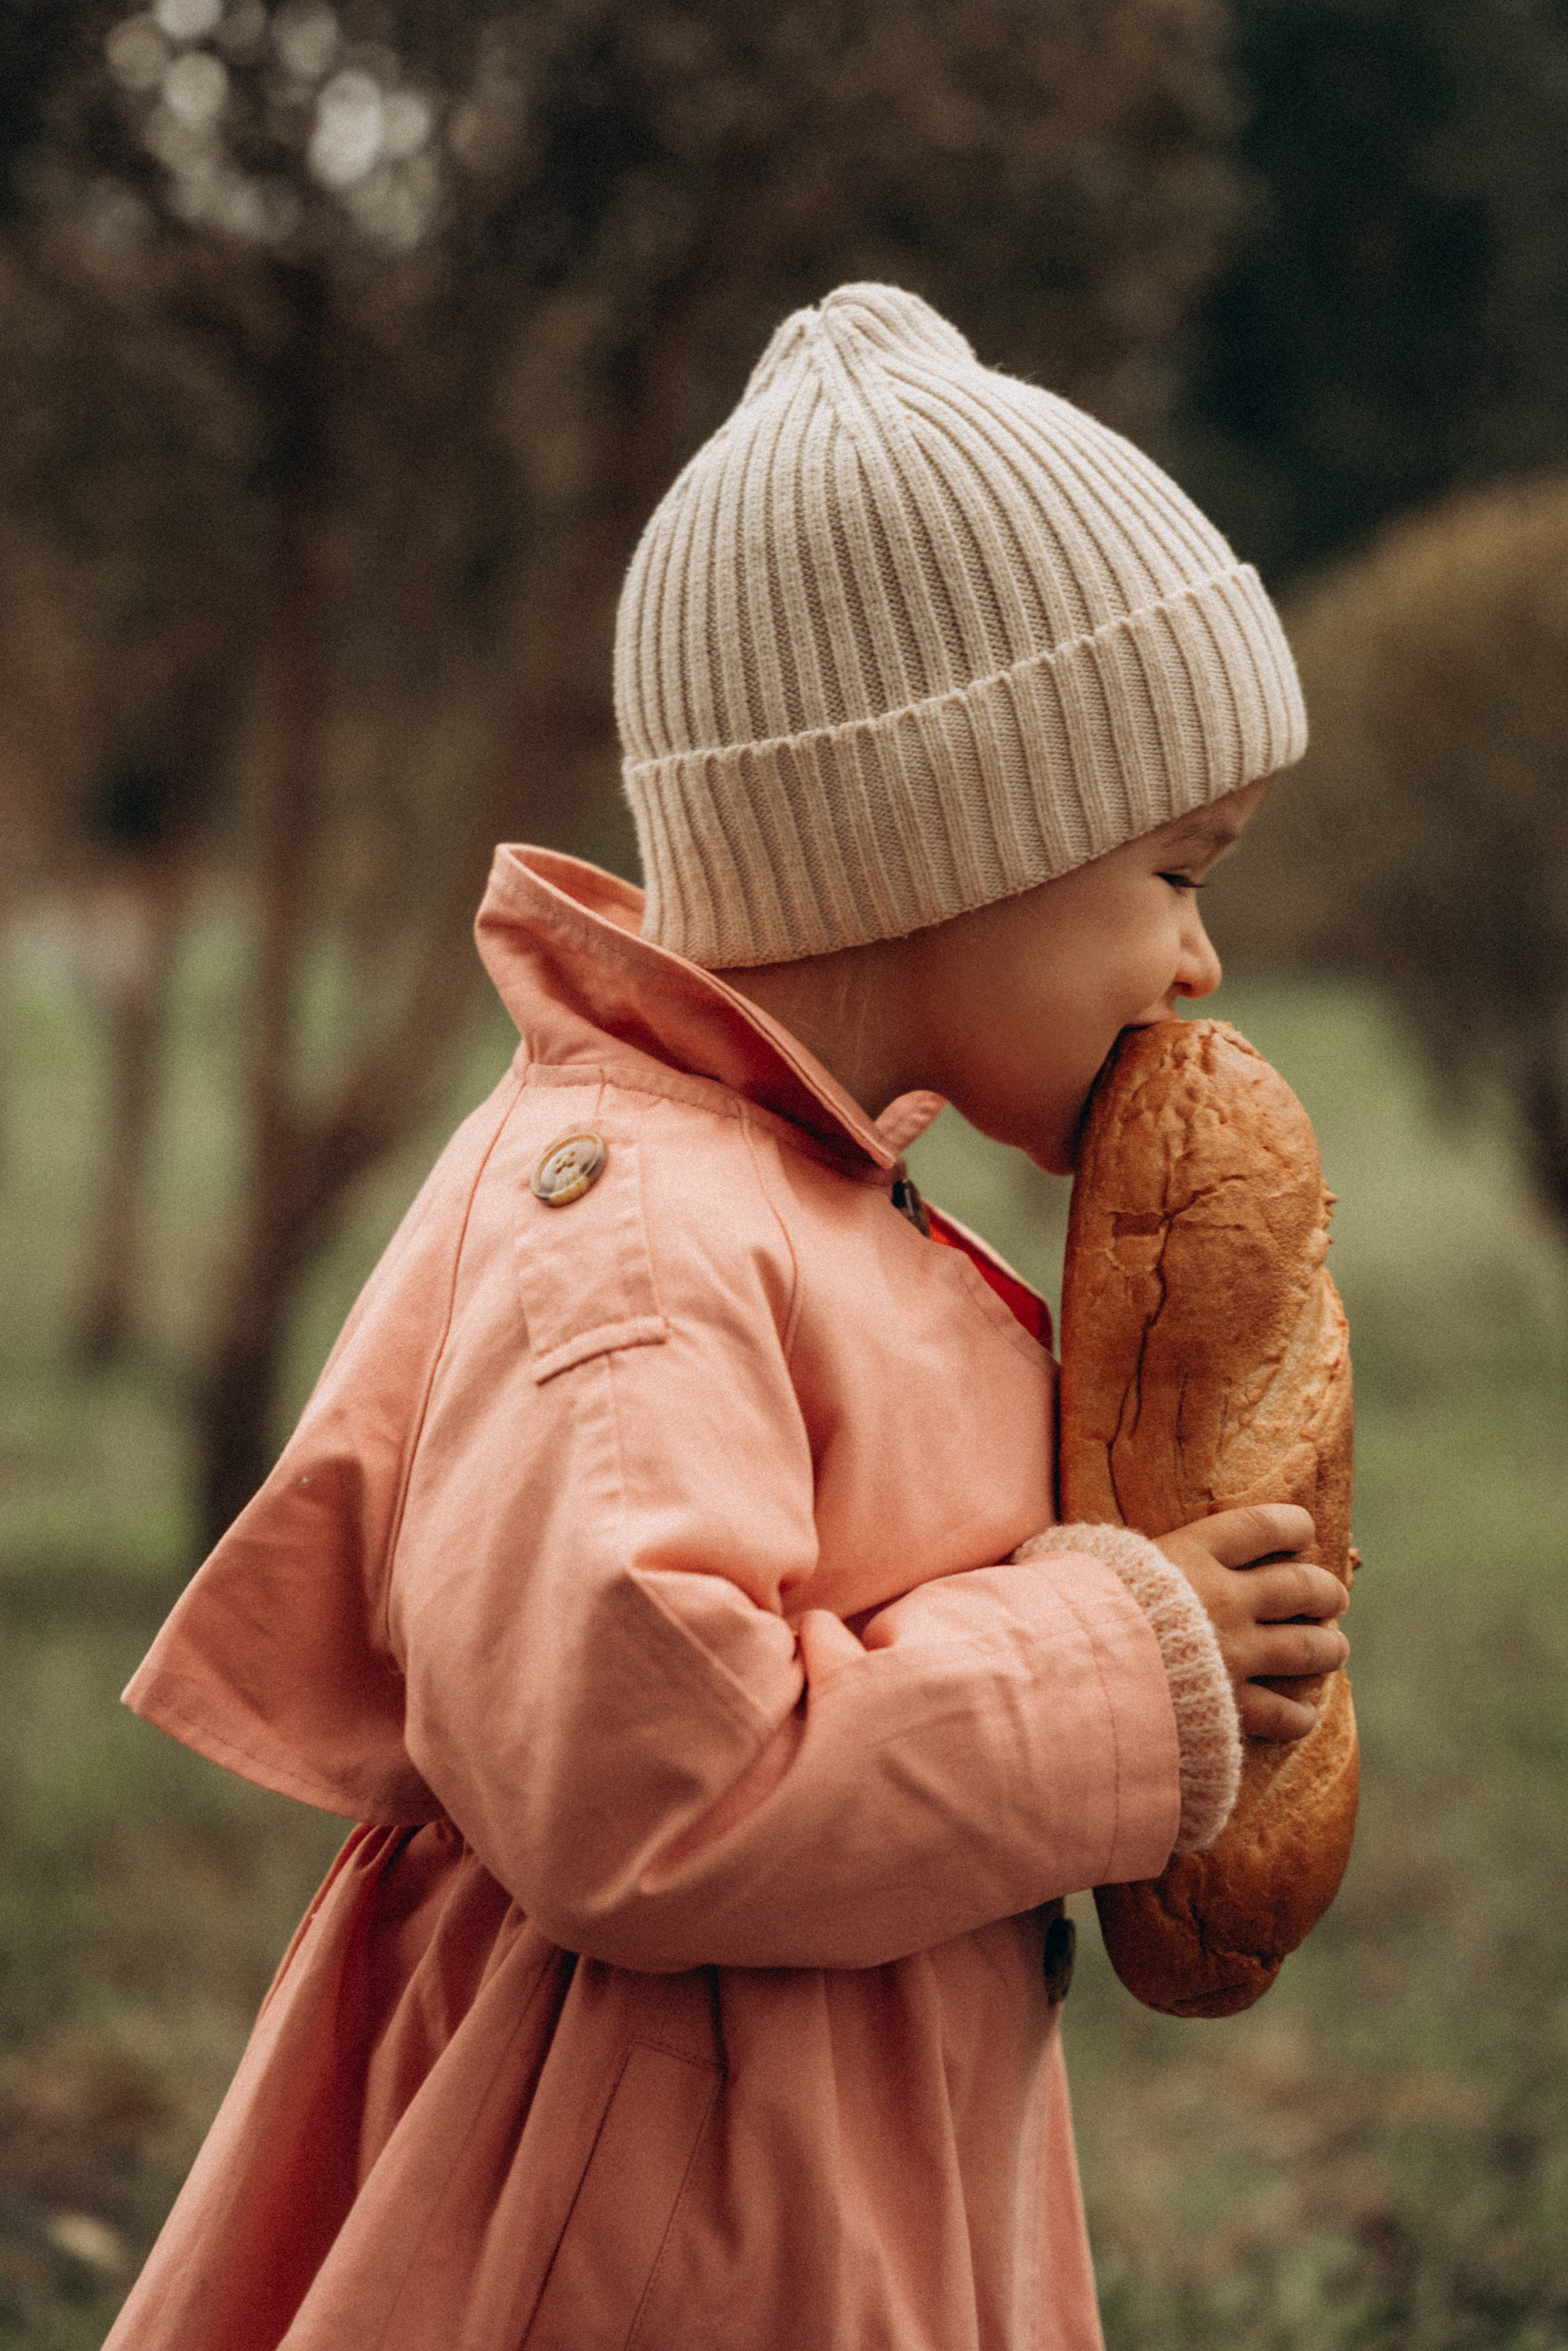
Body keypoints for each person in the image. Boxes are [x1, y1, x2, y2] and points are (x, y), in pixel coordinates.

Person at [106, 284, 1351, 2351]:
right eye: (1179, 871)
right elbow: (646, 1788)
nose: (1203, 962)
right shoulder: (641, 1235)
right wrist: (1130, 1661)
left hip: (822, 2134)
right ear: (948, 844)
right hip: (652, 2199)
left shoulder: (804, 1174)